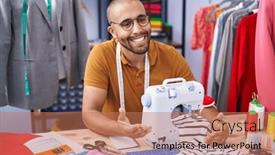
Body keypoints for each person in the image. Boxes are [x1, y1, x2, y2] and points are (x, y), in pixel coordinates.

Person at [82, 0, 229, 143]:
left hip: (160, 137)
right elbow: (89, 113)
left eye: (142, 19)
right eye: (127, 24)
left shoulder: (170, 55)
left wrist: (217, 124)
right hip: (117, 140)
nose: (138, 29)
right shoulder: (101, 55)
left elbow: (199, 101)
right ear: (113, 31)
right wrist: (122, 130)